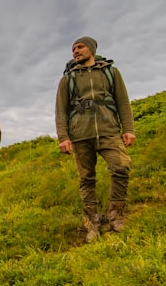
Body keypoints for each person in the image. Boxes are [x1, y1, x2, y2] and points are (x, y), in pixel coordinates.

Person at [55, 36, 136, 241]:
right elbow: (61, 111)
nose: (75, 51)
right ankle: (92, 221)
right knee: (86, 179)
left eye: (80, 47)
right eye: (73, 49)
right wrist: (63, 137)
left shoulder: (111, 73)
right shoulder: (68, 79)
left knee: (121, 166)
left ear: (91, 49)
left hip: (109, 130)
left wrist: (129, 129)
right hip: (80, 135)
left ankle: (116, 213)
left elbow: (123, 103)